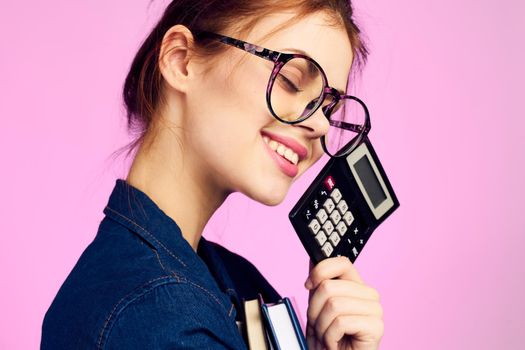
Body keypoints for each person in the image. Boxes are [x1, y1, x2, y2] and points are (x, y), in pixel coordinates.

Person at [41, 0, 384, 349]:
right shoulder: (156, 314)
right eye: (292, 81)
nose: (318, 124)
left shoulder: (234, 282)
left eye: (328, 107)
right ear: (181, 60)